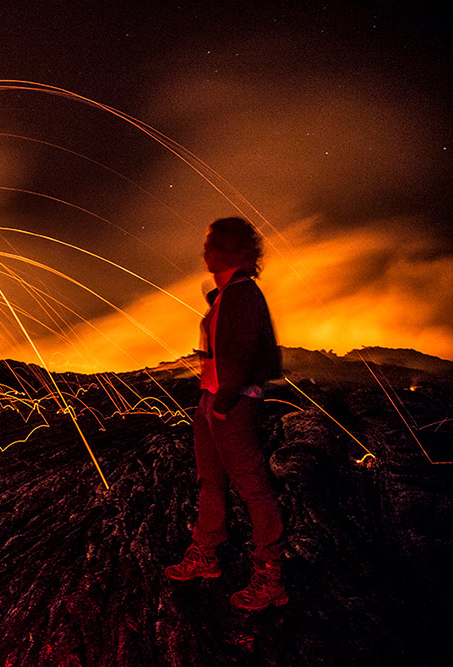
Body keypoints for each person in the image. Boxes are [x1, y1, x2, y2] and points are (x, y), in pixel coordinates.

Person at [164, 217, 287, 611]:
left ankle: (270, 576)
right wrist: (210, 399)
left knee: (252, 485)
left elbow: (254, 352)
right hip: (213, 399)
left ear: (233, 252)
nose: (207, 252)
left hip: (230, 403)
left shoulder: (243, 294)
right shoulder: (226, 295)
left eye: (214, 245)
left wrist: (227, 399)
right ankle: (206, 554)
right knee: (211, 481)